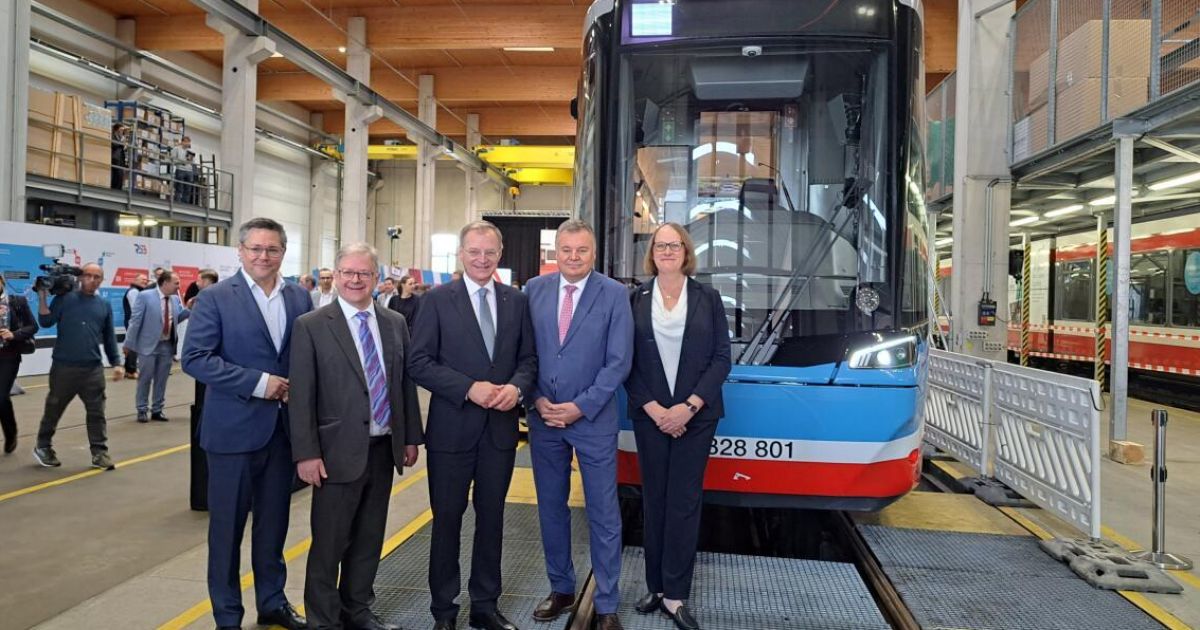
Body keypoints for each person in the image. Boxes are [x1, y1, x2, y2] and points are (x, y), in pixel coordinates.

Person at [182, 217, 312, 630]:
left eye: (272, 249)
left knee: (273, 527)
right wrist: (260, 384)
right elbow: (195, 358)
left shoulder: (299, 299)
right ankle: (227, 616)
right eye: (255, 248)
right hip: (233, 434)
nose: (263, 256)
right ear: (240, 251)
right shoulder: (216, 297)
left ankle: (272, 602)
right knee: (227, 532)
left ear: (283, 253)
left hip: (282, 434)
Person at [408, 220, 537, 630]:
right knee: (446, 521)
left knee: (492, 520)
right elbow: (419, 363)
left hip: (498, 433)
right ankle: (443, 611)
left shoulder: (516, 301)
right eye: (474, 252)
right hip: (451, 432)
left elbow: (529, 361)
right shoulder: (437, 301)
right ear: (461, 255)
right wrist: (469, 389)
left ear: (500, 255)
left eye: (490, 252)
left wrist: (516, 390)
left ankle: (485, 605)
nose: (482, 259)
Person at [290, 243, 423, 630]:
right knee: (329, 543)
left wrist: (410, 437)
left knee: (368, 539)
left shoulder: (394, 323)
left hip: (383, 449)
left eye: (363, 273)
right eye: (347, 272)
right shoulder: (312, 325)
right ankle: (323, 619)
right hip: (333, 453)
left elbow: (403, 384)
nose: (354, 279)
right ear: (334, 274)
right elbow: (302, 397)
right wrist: (306, 454)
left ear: (376, 278)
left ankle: (357, 610)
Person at [523, 220, 633, 630]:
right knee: (551, 507)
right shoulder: (534, 290)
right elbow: (525, 353)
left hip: (593, 420)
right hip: (544, 417)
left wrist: (580, 407)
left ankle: (606, 604)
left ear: (593, 253)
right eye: (565, 249)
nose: (573, 257)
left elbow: (618, 361)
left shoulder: (615, 294)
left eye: (581, 250)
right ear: (556, 252)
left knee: (603, 512)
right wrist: (536, 399)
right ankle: (562, 588)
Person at [625, 223, 731, 630]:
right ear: (651, 253)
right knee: (654, 500)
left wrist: (687, 407)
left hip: (696, 417)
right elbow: (625, 361)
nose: (667, 250)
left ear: (686, 252)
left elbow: (722, 358)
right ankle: (654, 585)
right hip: (650, 416)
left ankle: (675, 594)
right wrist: (654, 409)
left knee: (684, 502)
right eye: (660, 245)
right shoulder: (636, 298)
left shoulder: (708, 298)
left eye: (674, 244)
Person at [33, 263, 125, 470]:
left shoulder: (103, 305)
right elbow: (46, 321)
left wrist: (117, 363)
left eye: (97, 277)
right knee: (53, 409)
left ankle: (99, 453)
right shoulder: (65, 300)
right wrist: (41, 296)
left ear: (101, 280)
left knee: (97, 413)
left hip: (93, 369)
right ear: (80, 277)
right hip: (64, 367)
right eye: (88, 275)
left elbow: (109, 337)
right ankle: (43, 446)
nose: (92, 280)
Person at [124, 270, 189, 423]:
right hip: (148, 346)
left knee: (161, 380)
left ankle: (157, 410)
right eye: (176, 283)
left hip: (166, 346)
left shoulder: (173, 299)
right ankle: (141, 409)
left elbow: (176, 319)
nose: (178, 287)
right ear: (165, 283)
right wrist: (129, 344)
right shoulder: (145, 296)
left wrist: (189, 310)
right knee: (145, 379)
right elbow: (135, 321)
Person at [0, 276, 37, 454]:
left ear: (1, 281)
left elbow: (33, 326)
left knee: (1, 397)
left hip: (8, 356)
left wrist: (14, 334)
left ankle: (10, 433)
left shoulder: (16, 302)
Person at [123, 273, 149, 378]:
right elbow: (136, 309)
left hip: (136, 322)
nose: (145, 281)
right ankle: (131, 371)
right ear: (135, 280)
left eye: (146, 280)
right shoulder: (133, 291)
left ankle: (129, 369)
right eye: (142, 279)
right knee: (133, 346)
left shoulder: (139, 291)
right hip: (134, 323)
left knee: (134, 346)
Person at [172, 136, 196, 204]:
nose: (187, 143)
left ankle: (185, 203)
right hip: (180, 169)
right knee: (179, 187)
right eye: (186, 142)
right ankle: (178, 202)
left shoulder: (190, 151)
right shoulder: (176, 149)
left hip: (189, 170)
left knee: (188, 189)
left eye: (188, 142)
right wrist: (182, 162)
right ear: (182, 142)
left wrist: (190, 160)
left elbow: (193, 162)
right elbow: (173, 160)